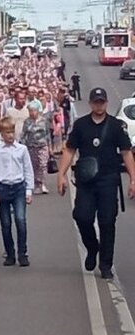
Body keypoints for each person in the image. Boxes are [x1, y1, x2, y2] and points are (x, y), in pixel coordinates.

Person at [57, 88, 135, 279]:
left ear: (106, 103)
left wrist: (133, 179)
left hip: (109, 180)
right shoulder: (81, 125)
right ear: (91, 104)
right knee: (82, 217)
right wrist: (61, 174)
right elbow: (69, 150)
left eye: (102, 102)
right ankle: (92, 248)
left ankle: (106, 264)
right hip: (86, 182)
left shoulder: (116, 126)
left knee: (107, 222)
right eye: (96, 102)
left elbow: (126, 152)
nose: (99, 105)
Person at [0, 117, 34, 267]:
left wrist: (29, 190)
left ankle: (23, 253)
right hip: (3, 188)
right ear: (1, 133)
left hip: (19, 188)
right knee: (5, 223)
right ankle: (10, 254)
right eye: (7, 132)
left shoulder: (22, 149)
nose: (10, 135)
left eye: (12, 132)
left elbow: (28, 169)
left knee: (20, 220)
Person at [21, 101, 51, 194]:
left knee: (43, 164)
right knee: (34, 166)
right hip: (31, 146)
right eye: (30, 111)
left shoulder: (44, 120)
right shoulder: (27, 121)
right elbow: (24, 134)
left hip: (43, 145)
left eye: (34, 110)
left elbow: (48, 134)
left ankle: (42, 183)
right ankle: (37, 184)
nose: (32, 113)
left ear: (38, 111)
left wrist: (50, 147)